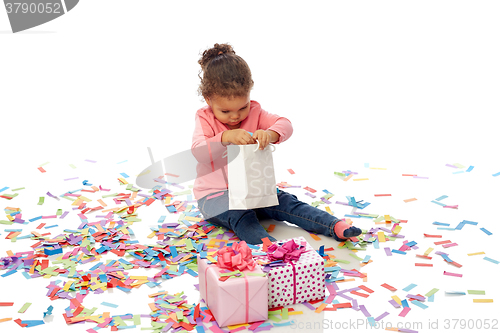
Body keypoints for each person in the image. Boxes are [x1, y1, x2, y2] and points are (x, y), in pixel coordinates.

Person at [192, 43, 361, 245]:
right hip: (215, 198)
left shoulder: (255, 112)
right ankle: (272, 249)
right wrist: (225, 138)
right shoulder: (205, 118)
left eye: (242, 107)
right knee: (239, 214)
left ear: (249, 93)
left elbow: (285, 125)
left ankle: (335, 226)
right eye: (225, 112)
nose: (235, 117)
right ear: (208, 99)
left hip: (254, 190)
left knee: (288, 203)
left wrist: (270, 134)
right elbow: (199, 152)